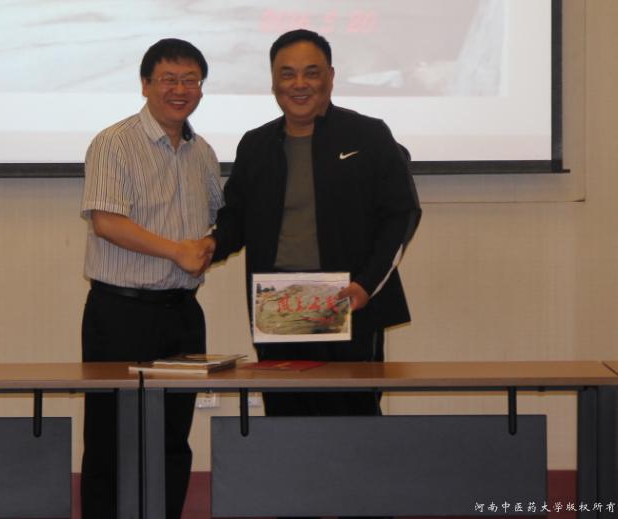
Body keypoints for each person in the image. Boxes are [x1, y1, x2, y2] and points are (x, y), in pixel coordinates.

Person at [206, 29, 420, 516]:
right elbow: (236, 218)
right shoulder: (257, 144)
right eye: (287, 74)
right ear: (273, 82)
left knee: (353, 426)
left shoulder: (368, 135)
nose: (299, 84)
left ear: (331, 78)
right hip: (280, 306)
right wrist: (209, 245)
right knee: (288, 429)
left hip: (347, 304)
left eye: (311, 72)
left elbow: (402, 214)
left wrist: (366, 286)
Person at [80, 38, 222, 519]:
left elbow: (217, 222)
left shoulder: (203, 152)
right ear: (145, 85)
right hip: (120, 313)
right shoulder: (114, 143)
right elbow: (106, 221)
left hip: (182, 314)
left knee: (173, 438)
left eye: (191, 80)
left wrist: (209, 246)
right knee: (110, 438)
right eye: (169, 79)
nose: (180, 90)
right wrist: (178, 251)